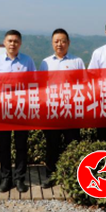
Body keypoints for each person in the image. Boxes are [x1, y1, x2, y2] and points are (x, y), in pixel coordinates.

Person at [0, 30, 36, 193]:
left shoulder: (27, 61)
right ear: (4, 42)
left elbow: (35, 83)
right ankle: (6, 178)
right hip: (3, 109)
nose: (12, 44)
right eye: (10, 41)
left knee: (21, 145)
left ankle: (20, 178)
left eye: (16, 41)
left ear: (20, 43)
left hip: (21, 109)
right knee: (4, 146)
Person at [40, 28, 85, 188]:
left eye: (63, 41)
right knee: (52, 144)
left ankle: (72, 176)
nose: (60, 44)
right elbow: (41, 86)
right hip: (52, 110)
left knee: (72, 144)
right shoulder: (45, 62)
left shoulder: (77, 61)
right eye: (56, 41)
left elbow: (84, 85)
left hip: (71, 111)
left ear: (68, 43)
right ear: (52, 43)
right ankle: (51, 175)